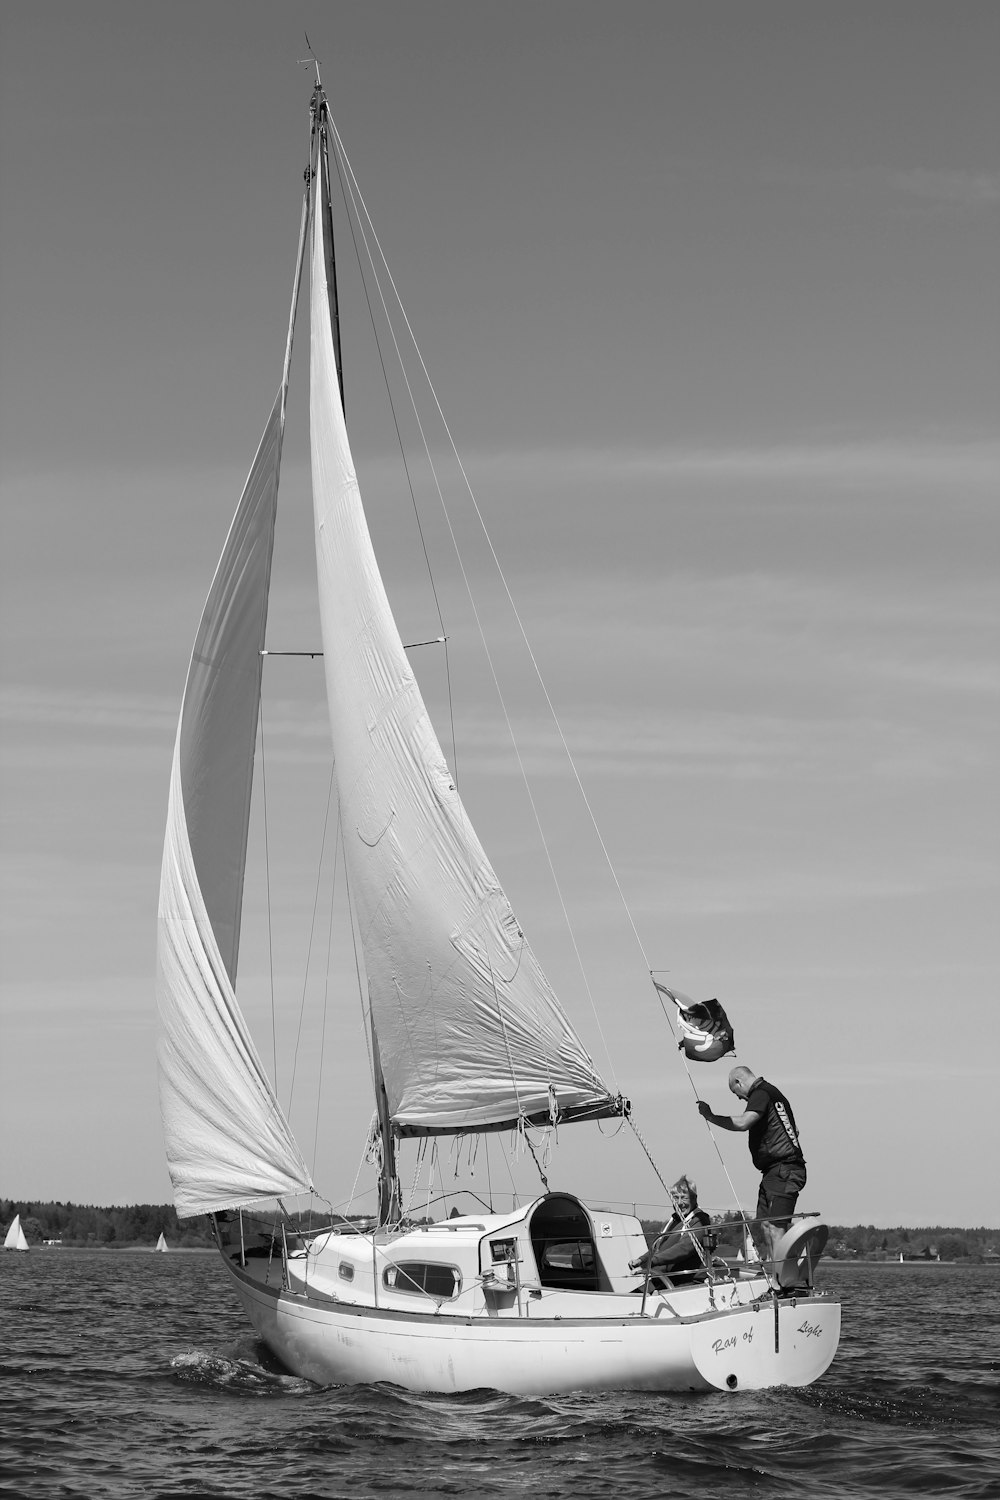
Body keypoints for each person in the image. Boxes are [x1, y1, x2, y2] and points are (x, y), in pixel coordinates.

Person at [696, 1065, 806, 1260]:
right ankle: (776, 1276)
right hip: (774, 1171)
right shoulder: (774, 1094)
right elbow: (793, 1130)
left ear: (739, 1082)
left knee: (775, 1226)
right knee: (765, 1224)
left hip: (784, 1169)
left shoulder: (761, 1093)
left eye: (735, 1092)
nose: (739, 1098)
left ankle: (784, 1283)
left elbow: (743, 1122)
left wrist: (710, 1116)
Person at [629, 1175, 712, 1285]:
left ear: (694, 1199)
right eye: (676, 1198)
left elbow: (683, 1249)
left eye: (684, 1198)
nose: (679, 1202)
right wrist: (641, 1260)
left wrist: (652, 1262)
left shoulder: (699, 1221)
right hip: (662, 1280)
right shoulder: (674, 1221)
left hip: (685, 1282)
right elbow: (658, 1247)